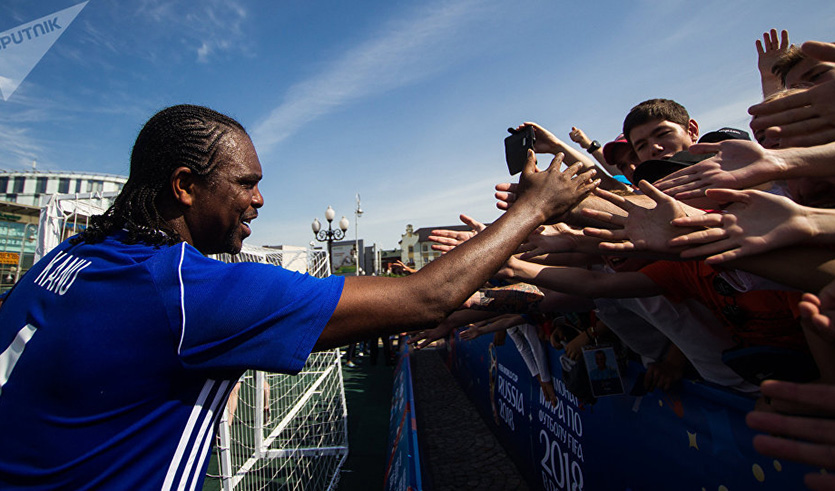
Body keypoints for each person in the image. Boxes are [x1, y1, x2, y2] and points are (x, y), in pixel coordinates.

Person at [0, 104, 598, 489]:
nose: (259, 201)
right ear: (184, 186)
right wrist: (536, 206)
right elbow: (426, 298)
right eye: (247, 183)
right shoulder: (189, 292)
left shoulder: (66, 257)